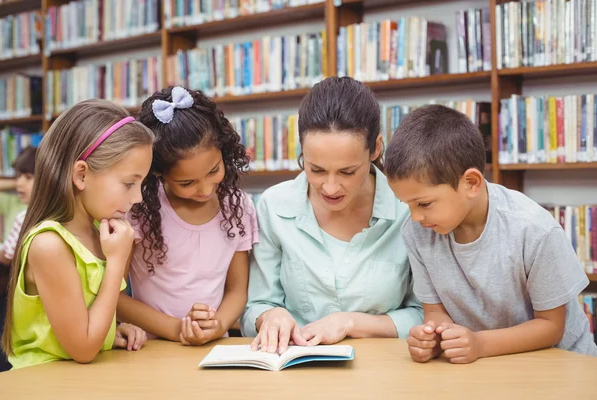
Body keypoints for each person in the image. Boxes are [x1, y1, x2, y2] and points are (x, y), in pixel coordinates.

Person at [385, 104, 597, 364]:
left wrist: (479, 343)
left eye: (424, 204)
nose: (415, 217)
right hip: (487, 364)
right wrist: (433, 335)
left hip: (561, 362)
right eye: (406, 204)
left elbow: (551, 326)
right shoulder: (418, 231)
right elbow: (434, 311)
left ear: (471, 183)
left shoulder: (533, 229)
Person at [241, 76, 422, 354]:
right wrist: (270, 317)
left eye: (348, 172)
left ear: (376, 148)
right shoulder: (274, 206)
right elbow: (257, 307)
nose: (330, 187)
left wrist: (350, 323)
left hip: (385, 372)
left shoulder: (408, 209)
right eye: (316, 169)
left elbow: (424, 315)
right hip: (295, 369)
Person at [1, 99, 153, 369]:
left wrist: (110, 332)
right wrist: (117, 262)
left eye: (141, 183)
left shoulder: (100, 233)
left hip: (80, 380)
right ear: (81, 175)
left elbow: (81, 327)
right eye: (129, 183)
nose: (138, 197)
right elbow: (83, 348)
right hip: (41, 385)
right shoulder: (49, 245)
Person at [116, 86, 257, 345]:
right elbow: (114, 295)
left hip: (213, 349)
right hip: (148, 350)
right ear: (158, 173)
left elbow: (237, 290)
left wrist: (218, 325)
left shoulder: (238, 207)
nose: (204, 189)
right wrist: (177, 329)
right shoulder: (141, 210)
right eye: (187, 182)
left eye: (214, 170)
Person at [0, 146, 37, 265]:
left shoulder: (24, 218)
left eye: (28, 177)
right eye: (18, 176)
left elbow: (7, 257)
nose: (19, 183)